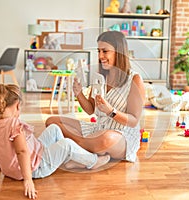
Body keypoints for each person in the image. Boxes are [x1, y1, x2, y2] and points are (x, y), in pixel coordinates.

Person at [0, 83, 110, 199]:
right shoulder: (14, 125)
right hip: (36, 167)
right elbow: (22, 152)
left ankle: (67, 159)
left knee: (54, 128)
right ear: (17, 105)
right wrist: (28, 180)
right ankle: (93, 161)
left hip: (18, 165)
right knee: (67, 145)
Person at [45, 31, 146, 162]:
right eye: (98, 51)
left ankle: (75, 149)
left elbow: (133, 121)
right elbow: (90, 109)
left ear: (119, 52)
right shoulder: (101, 76)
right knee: (52, 121)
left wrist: (111, 111)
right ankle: (87, 154)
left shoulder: (134, 79)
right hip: (98, 129)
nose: (100, 56)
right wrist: (79, 94)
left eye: (105, 51)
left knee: (106, 139)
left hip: (121, 135)